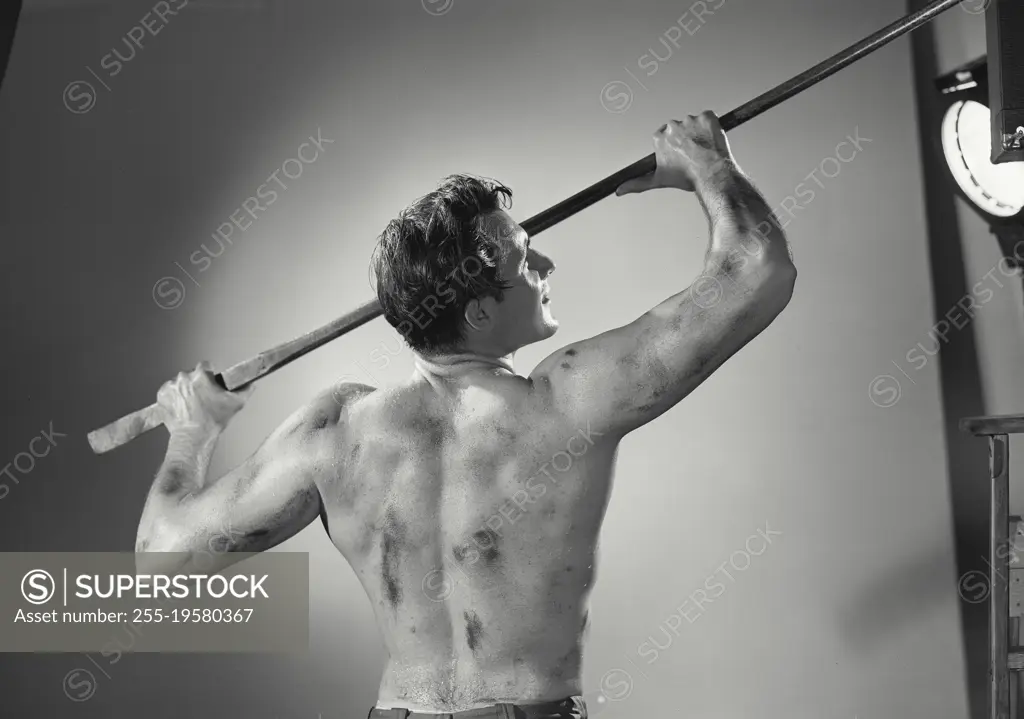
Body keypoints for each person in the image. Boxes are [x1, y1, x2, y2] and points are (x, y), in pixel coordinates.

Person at [135, 111, 797, 718]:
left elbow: (160, 560)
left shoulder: (334, 432)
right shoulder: (567, 399)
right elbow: (755, 269)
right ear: (477, 311)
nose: (546, 262)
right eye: (524, 255)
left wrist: (193, 432)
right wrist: (706, 163)